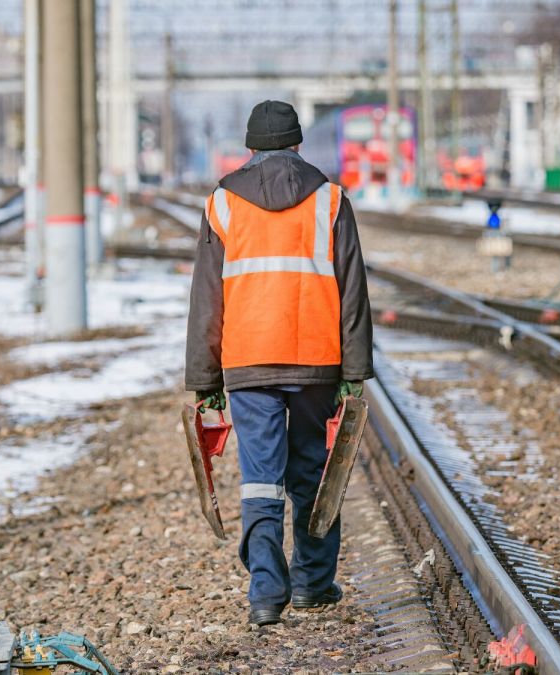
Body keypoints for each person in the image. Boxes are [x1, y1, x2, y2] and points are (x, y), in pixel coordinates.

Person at [185, 100, 373, 626]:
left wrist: (204, 379)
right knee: (312, 473)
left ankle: (266, 594)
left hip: (248, 362)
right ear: (297, 143)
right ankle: (312, 583)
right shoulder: (330, 199)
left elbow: (207, 300)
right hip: (316, 359)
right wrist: (354, 372)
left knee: (260, 480)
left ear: (249, 147)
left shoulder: (223, 203)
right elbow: (353, 292)